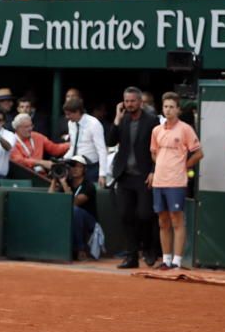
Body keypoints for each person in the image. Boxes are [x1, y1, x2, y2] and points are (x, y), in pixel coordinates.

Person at [107, 86, 161, 269]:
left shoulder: (152, 121)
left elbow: (157, 149)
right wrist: (116, 119)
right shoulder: (122, 119)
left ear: (140, 102)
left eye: (132, 101)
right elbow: (110, 141)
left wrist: (154, 171)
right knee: (125, 215)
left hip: (144, 175)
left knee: (145, 215)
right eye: (126, 101)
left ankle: (148, 248)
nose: (129, 104)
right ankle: (131, 256)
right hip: (124, 175)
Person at [151, 91, 203, 269]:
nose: (168, 110)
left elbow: (199, 153)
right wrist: (161, 167)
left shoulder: (186, 129)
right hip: (159, 182)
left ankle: (177, 261)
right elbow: (154, 152)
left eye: (172, 107)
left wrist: (184, 166)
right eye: (165, 107)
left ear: (178, 110)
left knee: (176, 220)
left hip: (176, 182)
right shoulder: (156, 130)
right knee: (162, 221)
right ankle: (166, 260)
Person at [48, 155, 99, 259]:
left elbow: (74, 203)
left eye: (78, 166)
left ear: (84, 169)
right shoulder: (68, 182)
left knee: (75, 211)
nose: (75, 169)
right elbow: (50, 200)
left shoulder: (88, 185)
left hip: (89, 221)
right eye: (72, 166)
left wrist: (64, 184)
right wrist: (54, 179)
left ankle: (80, 249)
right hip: (69, 218)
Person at [62, 97, 108, 185]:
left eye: (69, 114)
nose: (67, 117)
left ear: (78, 112)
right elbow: (73, 146)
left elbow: (102, 150)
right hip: (74, 166)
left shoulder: (94, 124)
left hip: (90, 168)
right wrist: (64, 160)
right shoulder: (71, 124)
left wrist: (102, 174)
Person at [10, 112, 69, 176]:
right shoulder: (11, 141)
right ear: (17, 128)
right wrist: (41, 163)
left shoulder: (37, 136)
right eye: (26, 127)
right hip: (21, 175)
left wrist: (70, 144)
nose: (30, 129)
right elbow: (19, 161)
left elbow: (55, 149)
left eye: (31, 125)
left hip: (40, 175)